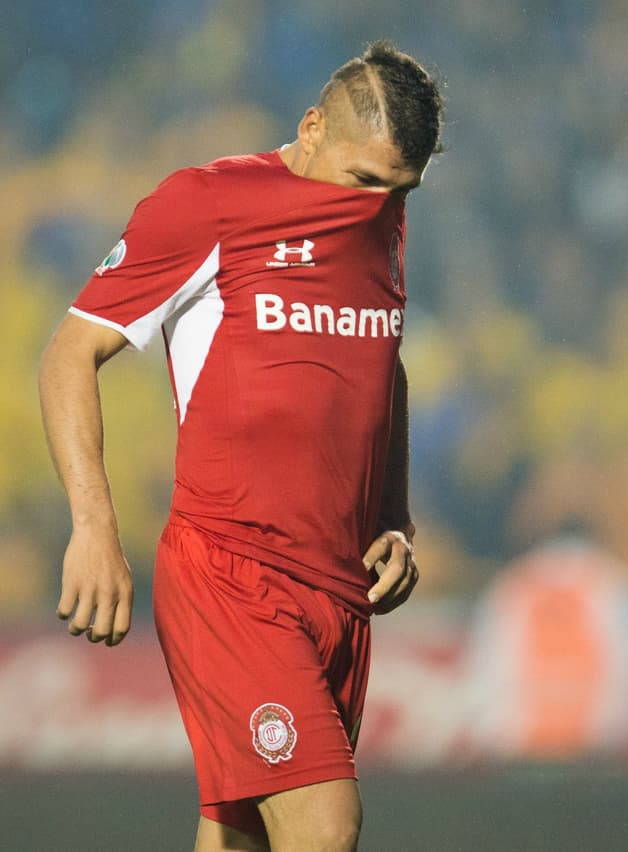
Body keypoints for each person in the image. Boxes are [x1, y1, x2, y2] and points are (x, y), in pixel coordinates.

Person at [38, 41, 443, 852]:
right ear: (312, 126)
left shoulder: (382, 223)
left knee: (240, 834)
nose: (379, 204)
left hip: (336, 591)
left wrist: (394, 519)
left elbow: (380, 369)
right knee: (325, 827)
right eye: (365, 180)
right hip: (232, 573)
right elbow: (68, 354)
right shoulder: (210, 203)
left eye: (402, 190)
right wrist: (94, 527)